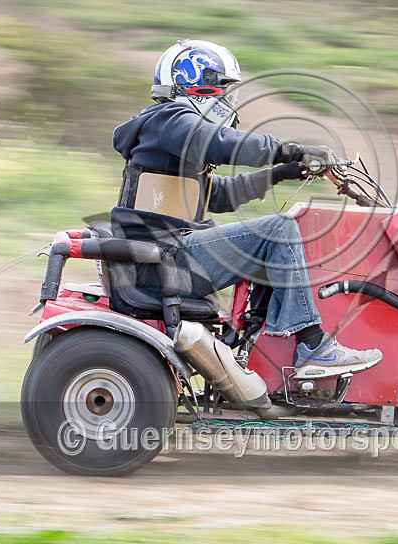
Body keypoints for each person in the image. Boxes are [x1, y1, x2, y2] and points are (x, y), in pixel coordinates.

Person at [112, 39, 381, 376]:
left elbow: (219, 195)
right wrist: (290, 150)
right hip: (161, 261)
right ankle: (313, 346)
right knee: (279, 229)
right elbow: (220, 144)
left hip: (162, 257)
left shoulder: (167, 133)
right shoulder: (169, 119)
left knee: (269, 238)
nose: (230, 102)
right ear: (197, 86)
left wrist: (280, 173)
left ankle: (255, 349)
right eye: (224, 92)